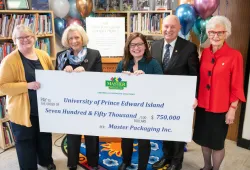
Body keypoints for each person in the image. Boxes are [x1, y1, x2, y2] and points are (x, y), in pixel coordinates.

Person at [193, 16, 246, 170]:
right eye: (212, 32)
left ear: (226, 33)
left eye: (220, 32)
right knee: (204, 140)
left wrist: (233, 109)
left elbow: (237, 85)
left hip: (221, 108)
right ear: (208, 33)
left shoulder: (235, 55)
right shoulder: (204, 54)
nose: (215, 36)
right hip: (203, 106)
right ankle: (207, 166)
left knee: (217, 143)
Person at [0, 24, 56, 170]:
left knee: (44, 137)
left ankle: (45, 161)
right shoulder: (9, 61)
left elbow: (51, 75)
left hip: (44, 107)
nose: (25, 40)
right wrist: (27, 85)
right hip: (22, 110)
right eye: (21, 37)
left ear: (34, 37)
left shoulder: (43, 55)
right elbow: (2, 87)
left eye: (28, 36)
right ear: (14, 40)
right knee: (25, 141)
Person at [151, 15, 199, 170]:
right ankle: (166, 156)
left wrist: (194, 96)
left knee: (177, 130)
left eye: (172, 27)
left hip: (180, 98)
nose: (168, 30)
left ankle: (177, 161)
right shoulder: (155, 46)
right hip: (161, 97)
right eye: (166, 26)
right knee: (165, 128)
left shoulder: (189, 47)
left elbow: (194, 74)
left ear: (179, 28)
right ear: (161, 28)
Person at [56, 24, 102, 170]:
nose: (74, 41)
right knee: (72, 134)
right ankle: (72, 163)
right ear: (67, 40)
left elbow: (99, 78)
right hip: (70, 102)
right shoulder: (61, 56)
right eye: (71, 38)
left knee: (91, 134)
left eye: (77, 37)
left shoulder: (94, 54)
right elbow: (55, 81)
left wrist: (86, 71)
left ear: (82, 38)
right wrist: (64, 71)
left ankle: (93, 162)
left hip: (90, 101)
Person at [116, 32, 163, 170]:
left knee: (143, 140)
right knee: (126, 138)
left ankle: (142, 166)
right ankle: (126, 161)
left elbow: (162, 85)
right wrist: (121, 79)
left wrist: (146, 78)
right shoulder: (123, 63)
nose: (136, 48)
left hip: (146, 108)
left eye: (140, 44)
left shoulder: (153, 63)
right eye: (133, 44)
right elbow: (114, 87)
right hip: (127, 107)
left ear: (145, 46)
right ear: (128, 47)